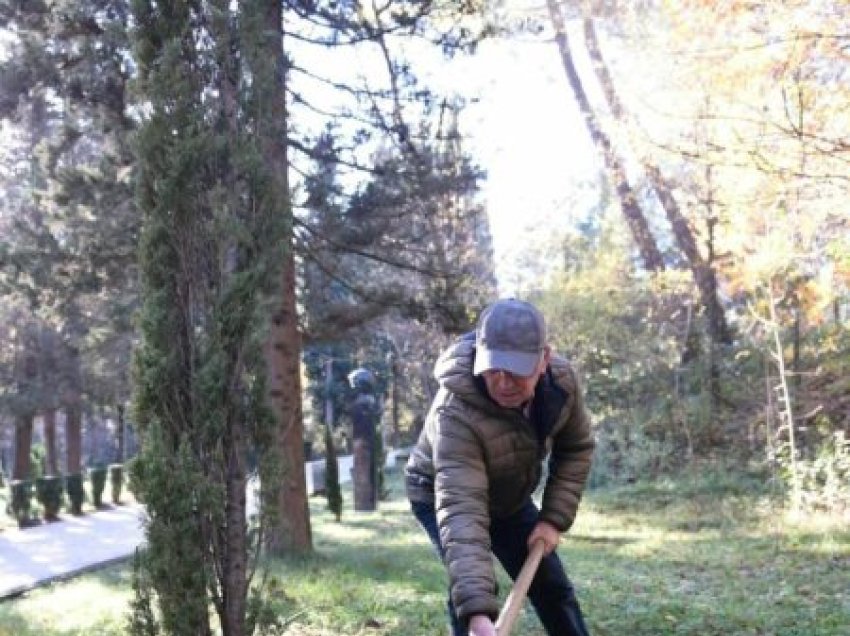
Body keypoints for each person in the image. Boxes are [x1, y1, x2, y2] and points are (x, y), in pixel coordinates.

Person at [405, 298, 595, 636]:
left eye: (517, 371)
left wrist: (552, 520)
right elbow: (461, 510)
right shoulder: (455, 412)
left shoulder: (562, 385)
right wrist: (479, 615)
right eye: (493, 369)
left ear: (543, 360)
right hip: (439, 492)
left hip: (508, 493)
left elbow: (576, 448)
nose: (504, 383)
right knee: (470, 591)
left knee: (550, 583)